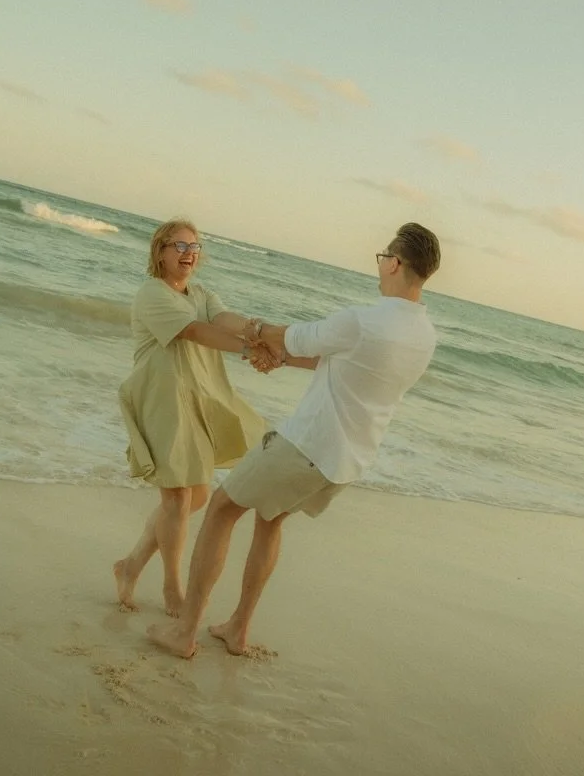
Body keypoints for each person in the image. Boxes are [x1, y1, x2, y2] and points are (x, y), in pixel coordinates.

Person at [147, 222, 440, 658]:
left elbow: (295, 336)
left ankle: (185, 632)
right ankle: (237, 629)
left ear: (396, 263)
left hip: (308, 444)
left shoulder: (363, 320)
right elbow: (336, 362)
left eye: (383, 259)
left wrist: (256, 333)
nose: (380, 268)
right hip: (345, 461)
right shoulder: (425, 335)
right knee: (270, 519)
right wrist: (278, 356)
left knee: (223, 509)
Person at [113, 219, 272, 617]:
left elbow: (222, 320)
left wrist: (262, 332)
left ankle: (129, 565)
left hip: (194, 400)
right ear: (160, 251)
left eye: (195, 247)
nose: (188, 253)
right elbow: (196, 332)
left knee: (193, 496)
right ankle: (172, 588)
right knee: (178, 496)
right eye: (179, 245)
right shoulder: (152, 293)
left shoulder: (200, 293)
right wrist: (249, 351)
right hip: (160, 399)